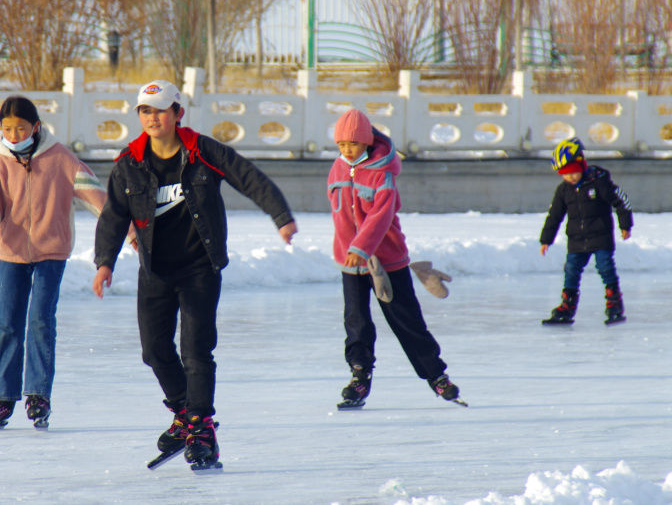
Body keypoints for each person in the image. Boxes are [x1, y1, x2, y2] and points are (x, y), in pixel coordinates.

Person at [93, 80, 298, 470]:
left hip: (199, 267)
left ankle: (201, 429)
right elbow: (115, 215)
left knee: (196, 350)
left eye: (160, 110)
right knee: (154, 351)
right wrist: (105, 262)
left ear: (177, 113)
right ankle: (187, 414)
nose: (152, 118)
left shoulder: (202, 151)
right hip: (155, 270)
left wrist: (281, 217)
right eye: (145, 111)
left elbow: (249, 177)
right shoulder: (129, 162)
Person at [0, 96, 107, 430]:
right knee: (7, 322)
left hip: (52, 252)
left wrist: (131, 234)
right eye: (6, 128)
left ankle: (38, 394)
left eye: (20, 128)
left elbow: (99, 199)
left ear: (35, 127)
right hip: (12, 253)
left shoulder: (61, 159)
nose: (12, 134)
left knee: (40, 319)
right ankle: (3, 397)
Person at [328, 108, 463, 408]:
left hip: (387, 260)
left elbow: (380, 215)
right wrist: (346, 248)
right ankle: (359, 377)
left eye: (352, 144)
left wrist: (360, 247)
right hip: (351, 263)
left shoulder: (382, 172)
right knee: (356, 322)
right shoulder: (338, 167)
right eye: (341, 145)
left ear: (365, 142)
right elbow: (338, 211)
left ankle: (436, 376)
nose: (346, 151)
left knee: (406, 320)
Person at [539, 137, 633, 325]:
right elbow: (554, 215)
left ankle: (614, 304)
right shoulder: (564, 190)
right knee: (571, 270)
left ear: (582, 164)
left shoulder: (599, 183)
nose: (570, 177)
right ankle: (567, 307)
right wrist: (546, 239)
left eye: (572, 172)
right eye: (565, 174)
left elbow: (622, 202)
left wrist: (625, 225)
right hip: (577, 239)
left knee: (605, 267)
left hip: (600, 236)